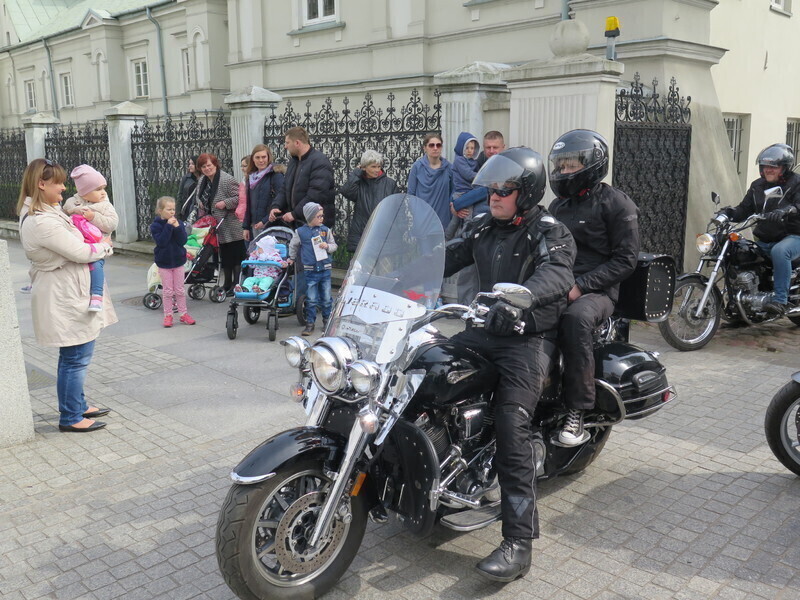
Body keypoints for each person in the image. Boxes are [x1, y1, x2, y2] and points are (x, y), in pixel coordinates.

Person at [444, 147, 576, 582]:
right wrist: (399, 266)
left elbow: (556, 274)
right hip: (483, 330)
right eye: (491, 189)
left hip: (528, 338)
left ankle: (519, 542)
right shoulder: (481, 225)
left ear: (528, 191)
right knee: (425, 376)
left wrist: (520, 299)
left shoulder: (549, 230)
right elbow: (449, 255)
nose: (494, 196)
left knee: (510, 423)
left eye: (504, 189)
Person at [548, 130, 640, 447]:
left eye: (570, 166)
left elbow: (626, 260)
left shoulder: (617, 204)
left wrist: (581, 286)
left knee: (575, 320)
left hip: (598, 291)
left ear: (591, 164)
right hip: (558, 282)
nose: (563, 172)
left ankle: (578, 410)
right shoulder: (557, 207)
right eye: (560, 166)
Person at [17, 158, 117, 432]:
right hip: (64, 294)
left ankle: (77, 404)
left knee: (74, 354)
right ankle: (71, 416)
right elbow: (81, 251)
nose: (63, 188)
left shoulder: (48, 212)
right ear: (41, 183)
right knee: (76, 357)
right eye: (58, 182)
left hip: (68, 290)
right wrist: (105, 246)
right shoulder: (41, 221)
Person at [719, 143, 800, 316]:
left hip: (793, 236)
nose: (768, 170)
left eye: (773, 166)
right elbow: (744, 209)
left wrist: (787, 211)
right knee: (737, 251)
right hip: (765, 238)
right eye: (765, 166)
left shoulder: (796, 183)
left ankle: (780, 301)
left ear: (784, 168)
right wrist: (728, 213)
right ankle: (740, 304)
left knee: (780, 251)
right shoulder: (758, 186)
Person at [62, 164, 118, 312]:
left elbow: (112, 224)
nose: (103, 192)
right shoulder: (73, 202)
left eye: (103, 188)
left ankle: (97, 296)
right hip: (79, 243)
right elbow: (66, 211)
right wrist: (76, 210)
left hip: (98, 245)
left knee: (96, 266)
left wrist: (94, 217)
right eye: (98, 189)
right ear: (84, 192)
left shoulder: (105, 206)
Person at [194, 153, 245, 295]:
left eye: (209, 165)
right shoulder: (202, 180)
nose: (207, 168)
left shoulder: (226, 179)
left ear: (215, 164)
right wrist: (201, 204)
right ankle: (226, 283)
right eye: (203, 166)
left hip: (231, 224)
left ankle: (236, 284)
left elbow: (239, 197)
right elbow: (200, 197)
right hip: (217, 225)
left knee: (236, 255)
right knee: (225, 256)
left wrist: (225, 203)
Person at [268, 127, 335, 229]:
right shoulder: (293, 162)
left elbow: (316, 194)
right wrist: (276, 206)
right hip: (297, 224)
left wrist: (295, 214)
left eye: (287, 142)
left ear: (297, 143)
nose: (285, 146)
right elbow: (285, 188)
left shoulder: (319, 161)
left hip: (315, 224)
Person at [288, 202, 338, 336]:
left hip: (325, 269)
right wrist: (291, 258)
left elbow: (334, 245)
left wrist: (327, 246)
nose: (322, 218)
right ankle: (310, 323)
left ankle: (327, 321)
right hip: (310, 270)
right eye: (318, 216)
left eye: (322, 216)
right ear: (310, 217)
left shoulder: (325, 230)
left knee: (327, 298)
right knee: (311, 299)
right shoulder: (300, 232)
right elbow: (293, 245)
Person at [339, 149, 399, 253]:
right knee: (363, 268)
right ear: (364, 167)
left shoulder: (390, 184)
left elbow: (397, 209)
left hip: (383, 234)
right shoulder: (359, 183)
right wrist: (357, 172)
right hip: (362, 233)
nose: (377, 170)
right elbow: (346, 191)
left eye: (379, 166)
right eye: (373, 166)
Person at [150, 196, 196, 327]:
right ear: (160, 210)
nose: (172, 212)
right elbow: (162, 242)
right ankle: (168, 315)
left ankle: (183, 314)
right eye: (168, 209)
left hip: (178, 261)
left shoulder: (178, 223)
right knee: (168, 291)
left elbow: (183, 241)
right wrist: (169, 227)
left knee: (180, 290)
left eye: (173, 209)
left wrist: (177, 227)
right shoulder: (156, 226)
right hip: (164, 262)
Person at [408, 133, 453, 228]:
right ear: (425, 148)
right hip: (422, 222)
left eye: (438, 145)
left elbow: (453, 193)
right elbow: (411, 195)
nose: (435, 148)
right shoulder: (417, 167)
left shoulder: (449, 168)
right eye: (431, 145)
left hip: (442, 222)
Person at [242, 144, 286, 241]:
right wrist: (246, 227)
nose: (261, 160)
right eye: (257, 157)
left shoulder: (276, 175)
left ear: (268, 157)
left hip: (271, 226)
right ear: (253, 159)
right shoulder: (251, 177)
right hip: (255, 227)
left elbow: (281, 201)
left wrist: (264, 221)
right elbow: (249, 205)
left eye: (263, 157)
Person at [445, 131, 481, 240]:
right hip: (462, 194)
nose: (470, 151)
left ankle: (446, 238)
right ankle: (465, 239)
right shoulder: (459, 160)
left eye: (472, 148)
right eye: (467, 148)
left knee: (456, 220)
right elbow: (469, 175)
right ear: (461, 148)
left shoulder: (473, 162)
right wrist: (484, 176)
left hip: (469, 193)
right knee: (468, 219)